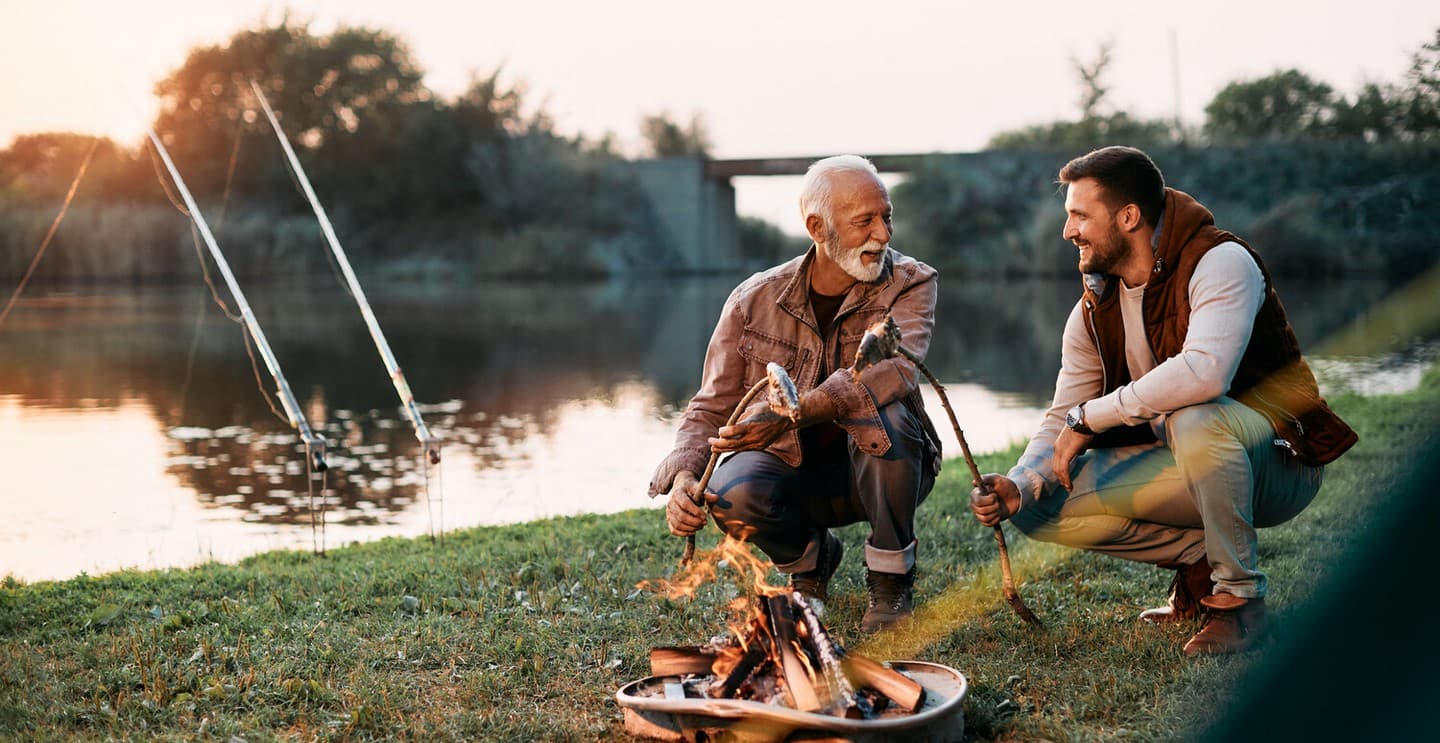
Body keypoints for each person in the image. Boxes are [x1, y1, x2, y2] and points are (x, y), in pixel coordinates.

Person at [969, 146, 1357, 656]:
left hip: (1277, 461)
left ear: (1129, 216)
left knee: (1196, 417)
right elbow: (1060, 417)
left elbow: (1205, 373)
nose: (1069, 231)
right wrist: (1020, 482)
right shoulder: (1092, 309)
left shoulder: (1220, 262)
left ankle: (1239, 603)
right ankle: (1201, 562)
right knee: (1034, 505)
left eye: (1079, 215)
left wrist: (1090, 418)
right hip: (1183, 461)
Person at [648, 155, 942, 633]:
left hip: (885, 467)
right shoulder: (752, 299)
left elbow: (894, 372)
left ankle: (891, 586)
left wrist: (796, 412)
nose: (884, 234)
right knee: (729, 490)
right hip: (792, 473)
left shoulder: (912, 283)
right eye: (864, 221)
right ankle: (811, 563)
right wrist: (684, 472)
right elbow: (712, 405)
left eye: (885, 216)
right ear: (817, 227)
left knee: (884, 415)